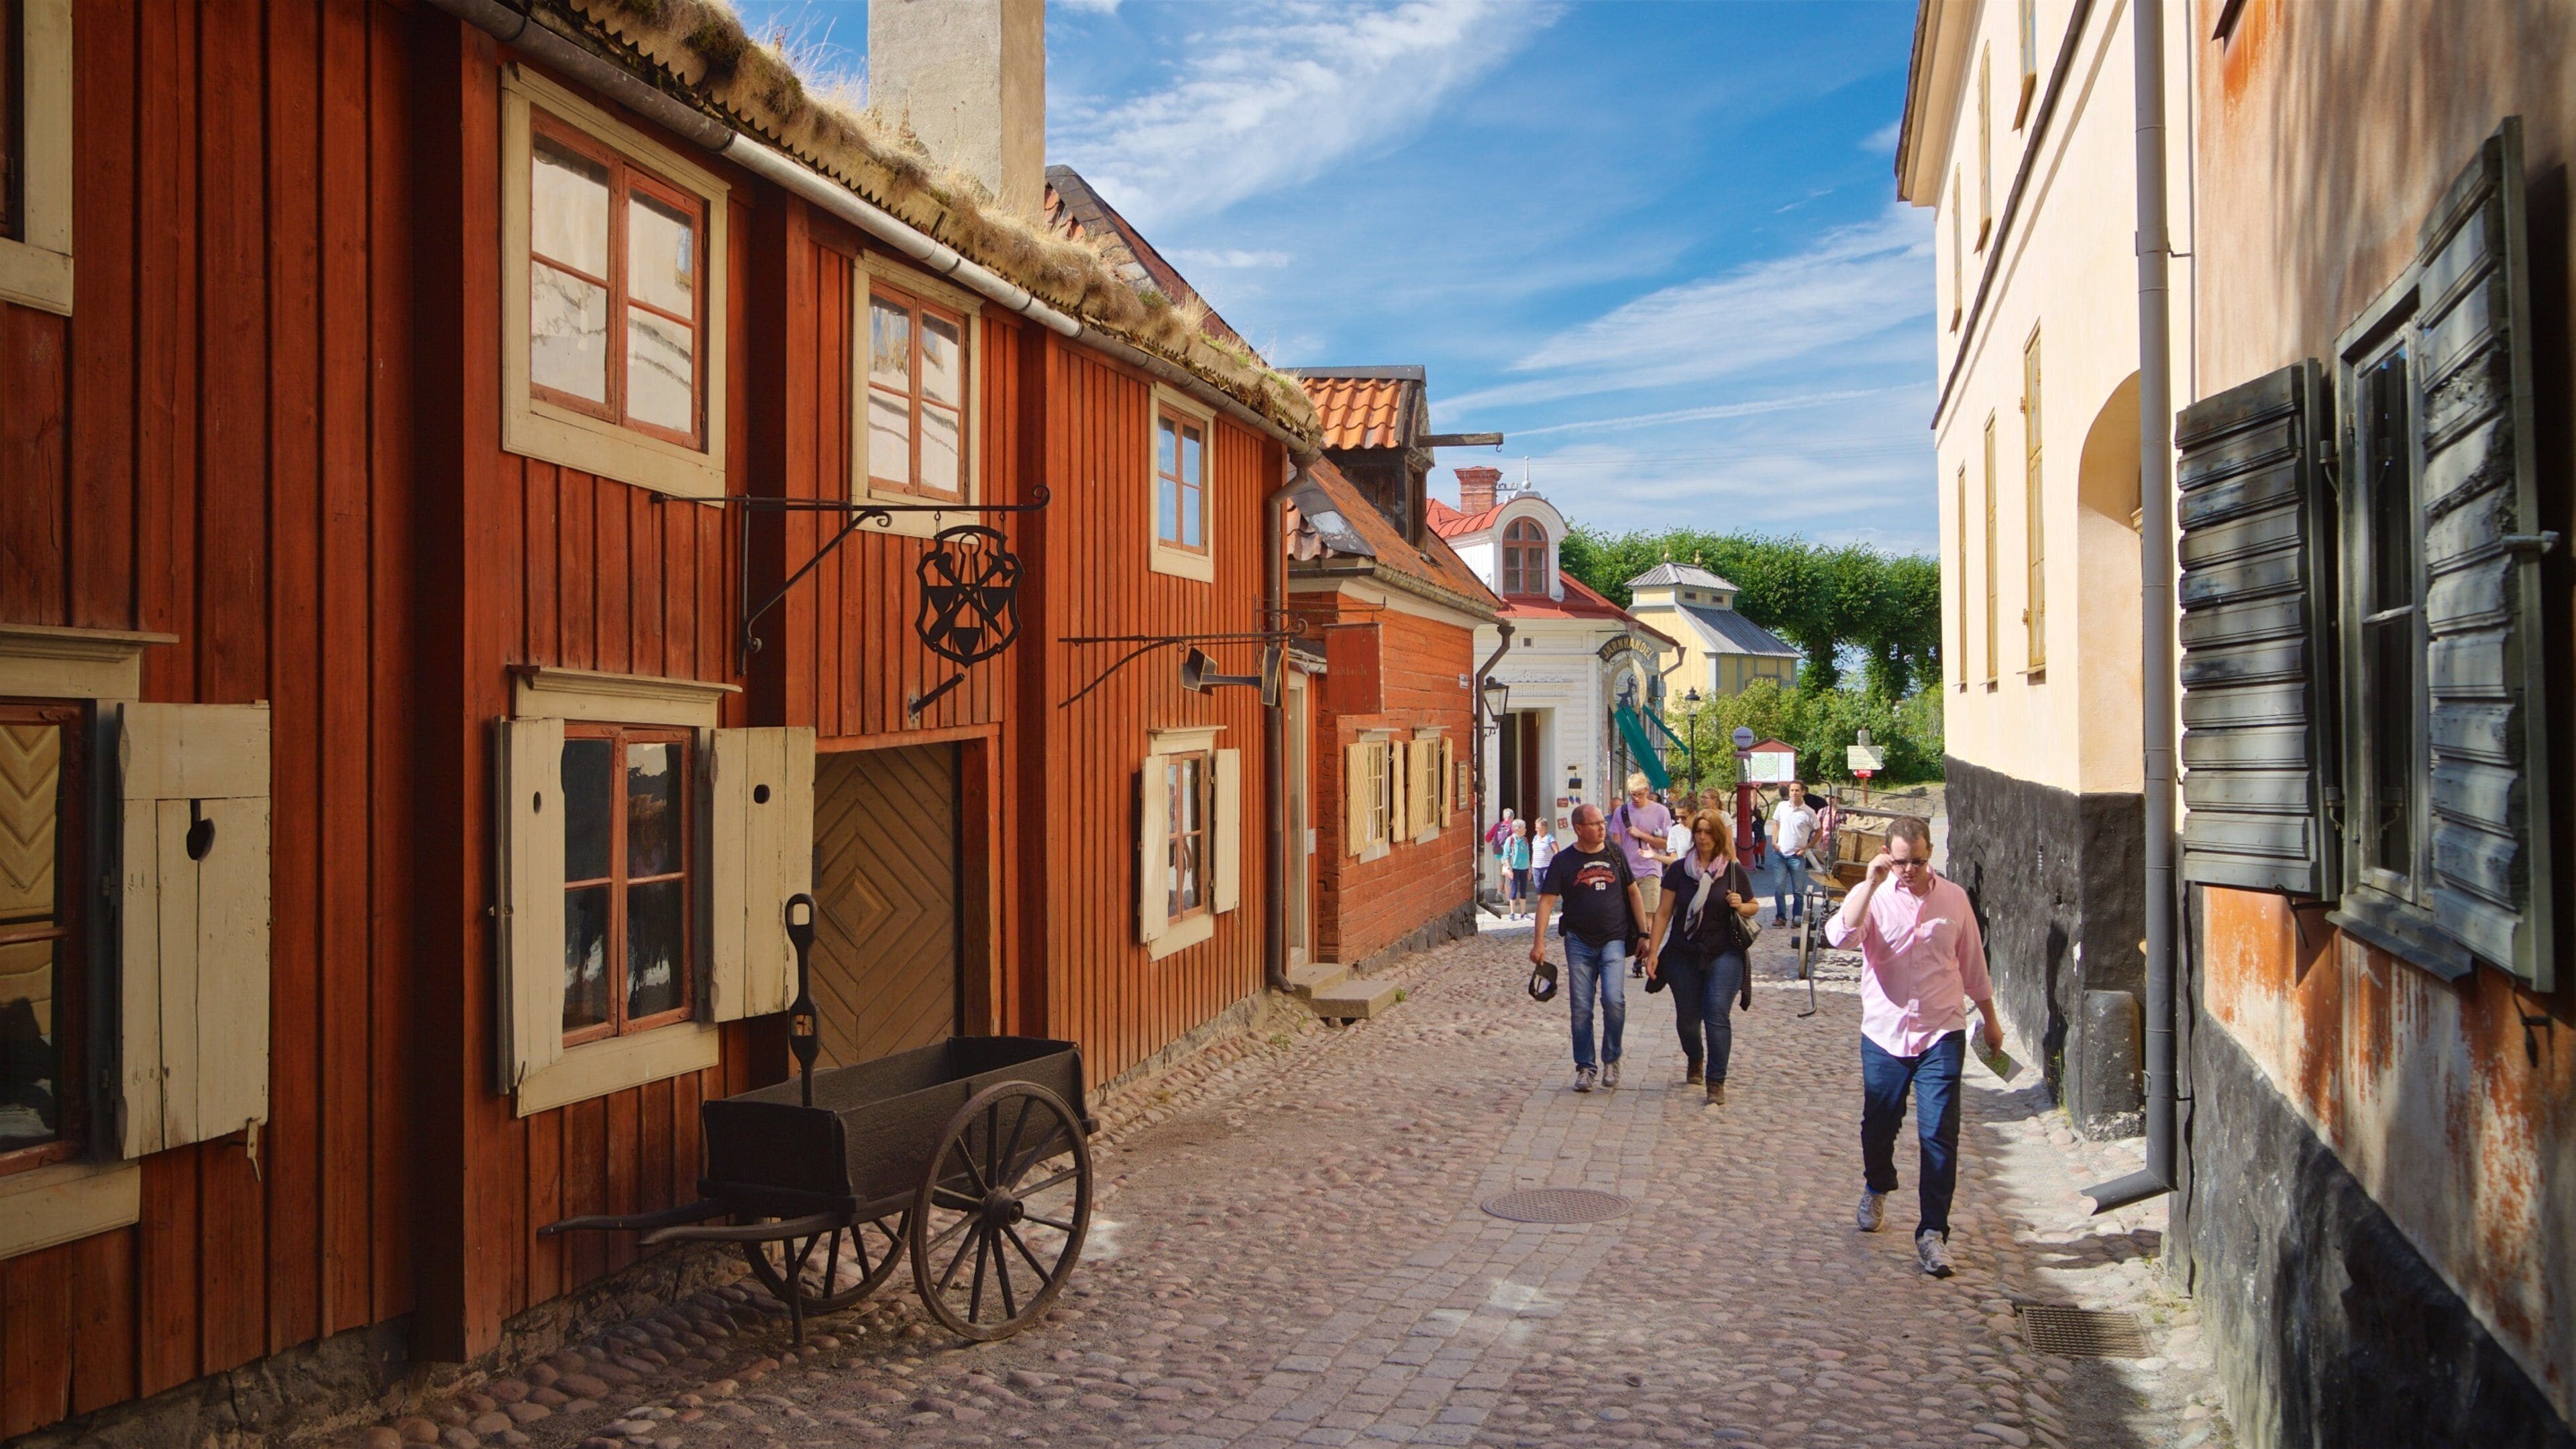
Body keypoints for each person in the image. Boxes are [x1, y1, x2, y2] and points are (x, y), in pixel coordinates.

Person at [1825, 816, 2002, 1279]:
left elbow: (1973, 964)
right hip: (1884, 1033)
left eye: (1918, 861)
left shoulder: (1955, 899)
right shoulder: (1876, 898)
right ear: (1887, 854)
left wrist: (1991, 1018)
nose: (1910, 870)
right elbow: (1840, 937)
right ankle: (1877, 1183)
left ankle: (1933, 1233)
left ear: (1930, 856)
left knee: (1939, 1132)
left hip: (1942, 1030)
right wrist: (1869, 882)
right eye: (1901, 861)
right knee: (1878, 1125)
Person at [1641, 810, 1760, 1104]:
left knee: (1717, 1013)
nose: (1703, 837)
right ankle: (1695, 1057)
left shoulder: (1733, 870)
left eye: (1709, 832)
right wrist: (1653, 951)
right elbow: (1664, 912)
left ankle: (1716, 1081)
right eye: (1699, 831)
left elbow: (1753, 906)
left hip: (1725, 952)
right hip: (1684, 953)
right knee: (1688, 1020)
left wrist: (1740, 905)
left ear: (1719, 835)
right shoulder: (1680, 870)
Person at [1529, 804, 1644, 1093]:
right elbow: (1546, 901)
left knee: (1613, 1000)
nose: (1601, 828)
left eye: (1602, 823)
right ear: (1579, 829)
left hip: (1614, 939)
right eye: (1594, 824)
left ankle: (1612, 1058)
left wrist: (1644, 933)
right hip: (1579, 941)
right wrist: (1539, 941)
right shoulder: (1564, 861)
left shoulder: (1615, 854)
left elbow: (1633, 891)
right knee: (1581, 1007)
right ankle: (1585, 1067)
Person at [1609, 774, 1673, 974]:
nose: (1635, 798)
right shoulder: (1622, 811)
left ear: (1647, 791)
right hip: (1627, 871)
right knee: (1626, 916)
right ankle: (1634, 948)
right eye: (1632, 795)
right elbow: (1616, 843)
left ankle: (1645, 954)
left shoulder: (1661, 812)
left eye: (1639, 794)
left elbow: (1666, 844)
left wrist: (1642, 835)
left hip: (1650, 869)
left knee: (1648, 917)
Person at [1768, 782, 1819, 926]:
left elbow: (1818, 831)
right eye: (1792, 790)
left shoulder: (1808, 812)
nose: (1794, 793)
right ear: (1788, 792)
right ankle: (1781, 917)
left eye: (1797, 790)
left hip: (1797, 856)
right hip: (1781, 854)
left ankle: (1797, 918)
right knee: (1779, 888)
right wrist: (1774, 842)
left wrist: (1807, 848)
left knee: (1798, 891)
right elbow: (1776, 824)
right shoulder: (1782, 807)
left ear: (1803, 792)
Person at [1503, 820, 1534, 920]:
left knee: (1523, 891)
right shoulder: (1510, 840)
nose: (1525, 829)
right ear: (1517, 829)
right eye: (1523, 827)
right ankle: (1512, 913)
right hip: (1514, 869)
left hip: (1524, 868)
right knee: (1514, 891)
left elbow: (1528, 855)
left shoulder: (1525, 840)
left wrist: (1529, 869)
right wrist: (1509, 869)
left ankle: (1523, 913)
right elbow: (1506, 855)